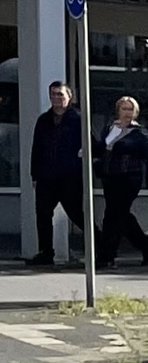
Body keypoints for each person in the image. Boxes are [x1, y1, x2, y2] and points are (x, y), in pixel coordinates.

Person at [94, 95, 148, 268]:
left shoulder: (140, 133)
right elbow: (101, 149)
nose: (127, 112)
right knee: (120, 215)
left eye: (130, 109)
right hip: (111, 177)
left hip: (130, 178)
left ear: (135, 112)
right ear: (118, 110)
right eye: (124, 108)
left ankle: (107, 256)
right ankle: (146, 247)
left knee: (114, 216)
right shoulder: (110, 129)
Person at [25, 78, 83, 266]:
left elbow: (92, 144)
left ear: (69, 96)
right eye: (53, 94)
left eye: (60, 94)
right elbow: (37, 148)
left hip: (69, 177)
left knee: (77, 215)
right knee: (42, 215)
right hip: (46, 177)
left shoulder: (78, 119)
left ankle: (100, 248)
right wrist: (34, 175)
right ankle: (46, 252)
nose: (56, 98)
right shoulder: (44, 120)